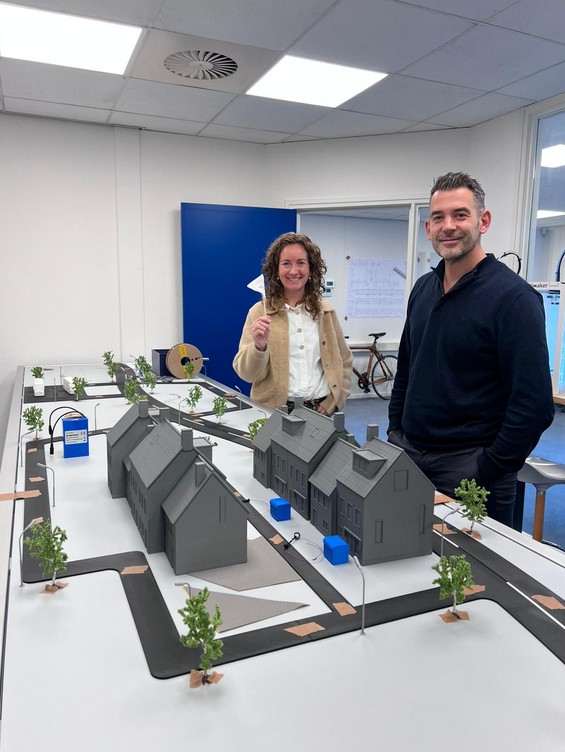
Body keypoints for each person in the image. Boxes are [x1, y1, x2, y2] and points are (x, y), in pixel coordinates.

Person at [387, 172, 554, 527]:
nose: (448, 226)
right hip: (411, 457)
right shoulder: (423, 289)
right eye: (438, 217)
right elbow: (407, 369)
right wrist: (395, 432)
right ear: (428, 228)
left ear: (483, 221)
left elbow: (534, 404)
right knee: (405, 552)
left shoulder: (514, 299)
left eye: (460, 215)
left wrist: (487, 467)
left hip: (471, 471)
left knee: (472, 563)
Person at [233, 232, 352, 415]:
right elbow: (247, 374)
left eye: (301, 263)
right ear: (276, 269)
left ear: (311, 268)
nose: (294, 271)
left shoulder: (326, 312)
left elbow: (344, 360)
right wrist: (258, 347)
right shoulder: (259, 312)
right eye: (286, 263)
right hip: (273, 412)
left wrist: (334, 401)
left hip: (320, 411)